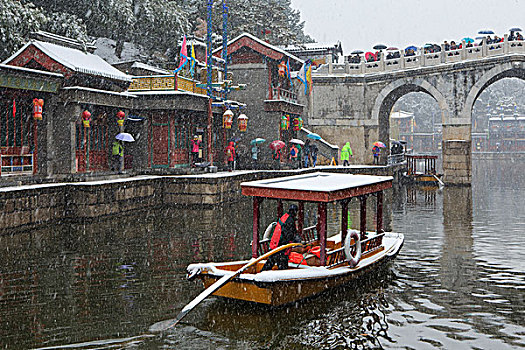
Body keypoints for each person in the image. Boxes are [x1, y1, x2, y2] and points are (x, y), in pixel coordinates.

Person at [261, 204, 304, 271]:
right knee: (282, 266)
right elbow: (289, 234)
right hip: (280, 247)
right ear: (295, 212)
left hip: (275, 245)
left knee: (270, 262)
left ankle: (262, 273)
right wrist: (297, 240)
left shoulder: (285, 217)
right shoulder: (290, 220)